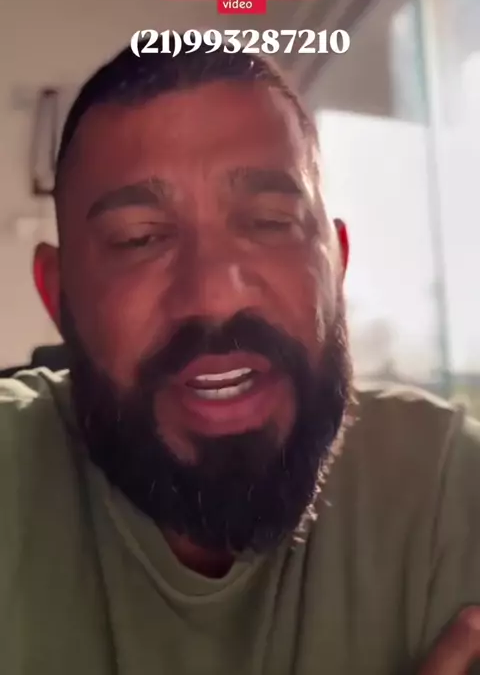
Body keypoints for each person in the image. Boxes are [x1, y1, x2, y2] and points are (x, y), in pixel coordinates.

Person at [1, 38, 480, 675]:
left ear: (336, 263)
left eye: (270, 221)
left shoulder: (448, 491)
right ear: (58, 295)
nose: (213, 292)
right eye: (139, 238)